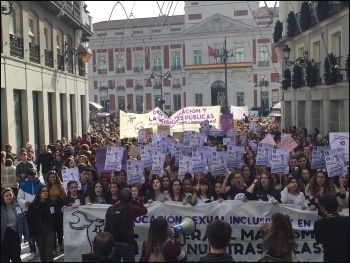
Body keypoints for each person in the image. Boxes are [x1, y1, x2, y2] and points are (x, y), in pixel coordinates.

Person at [104, 188, 148, 262]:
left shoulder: (111, 209)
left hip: (113, 242)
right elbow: (144, 210)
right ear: (130, 198)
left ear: (119, 197)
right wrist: (134, 201)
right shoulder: (132, 208)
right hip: (126, 243)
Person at [26, 185, 58, 262]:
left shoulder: (52, 203)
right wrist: (30, 234)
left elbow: (56, 217)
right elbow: (30, 221)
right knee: (42, 252)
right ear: (39, 193)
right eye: (43, 191)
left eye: (47, 191)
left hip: (50, 229)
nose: (45, 193)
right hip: (39, 231)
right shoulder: (33, 206)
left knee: (49, 252)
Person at [17, 168, 43, 261]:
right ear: (27, 176)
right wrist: (25, 203)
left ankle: (41, 248)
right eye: (30, 177)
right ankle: (32, 250)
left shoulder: (41, 185)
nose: (32, 178)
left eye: (34, 176)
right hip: (28, 211)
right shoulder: (23, 185)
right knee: (29, 231)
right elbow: (19, 198)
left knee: (40, 229)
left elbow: (44, 196)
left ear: (36, 175)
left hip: (39, 210)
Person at [314, 193, 349, 262]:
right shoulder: (347, 220)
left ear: (323, 208)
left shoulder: (318, 224)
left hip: (330, 258)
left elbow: (319, 240)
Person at [1, 188, 29, 262]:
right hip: (4, 236)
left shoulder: (17, 206)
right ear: (3, 197)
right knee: (4, 258)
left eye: (10, 195)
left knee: (16, 258)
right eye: (6, 196)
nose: (9, 197)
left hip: (15, 235)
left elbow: (23, 221)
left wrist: (27, 235)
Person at [46, 170, 66, 253]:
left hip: (59, 207)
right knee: (52, 228)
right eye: (50, 177)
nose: (52, 179)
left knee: (59, 228)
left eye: (53, 177)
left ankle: (60, 243)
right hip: (50, 208)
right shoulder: (46, 186)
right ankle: (53, 247)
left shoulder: (60, 185)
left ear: (56, 177)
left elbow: (65, 196)